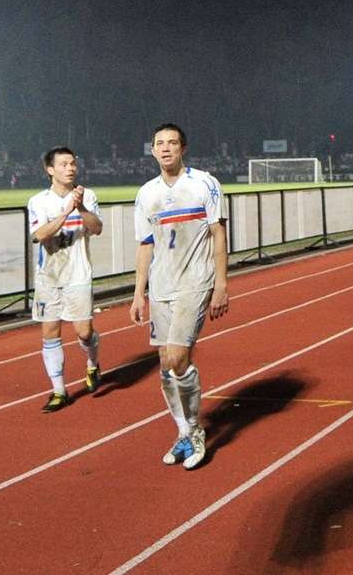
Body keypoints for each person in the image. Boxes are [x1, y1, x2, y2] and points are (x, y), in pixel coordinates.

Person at [131, 123, 229, 471]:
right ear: (153, 150)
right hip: (161, 286)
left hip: (195, 282)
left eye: (173, 142)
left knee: (177, 356)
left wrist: (221, 284)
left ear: (183, 148)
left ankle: (196, 431)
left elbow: (218, 234)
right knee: (164, 364)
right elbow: (146, 245)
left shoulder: (204, 183)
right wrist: (138, 293)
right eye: (160, 143)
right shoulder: (146, 194)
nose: (166, 148)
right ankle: (185, 431)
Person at [27, 146, 104, 412]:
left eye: (72, 163)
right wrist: (64, 213)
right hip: (48, 277)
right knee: (50, 332)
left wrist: (80, 206)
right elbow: (39, 235)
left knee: (84, 332)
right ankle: (59, 390)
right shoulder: (38, 201)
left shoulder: (89, 195)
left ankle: (93, 363)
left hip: (78, 275)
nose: (70, 168)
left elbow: (96, 228)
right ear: (50, 170)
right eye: (63, 164)